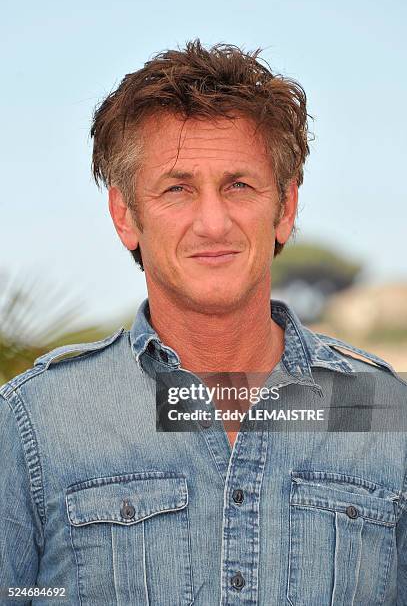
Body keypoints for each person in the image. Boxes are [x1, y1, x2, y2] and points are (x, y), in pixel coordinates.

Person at [1, 39, 406, 606]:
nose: (212, 223)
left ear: (285, 207)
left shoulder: (388, 415)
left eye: (239, 185)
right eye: (177, 189)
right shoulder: (32, 426)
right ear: (126, 215)